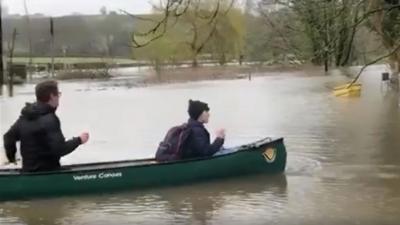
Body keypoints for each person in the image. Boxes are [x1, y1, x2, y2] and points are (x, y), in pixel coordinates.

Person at [3, 80, 89, 172]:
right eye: (58, 95)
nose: (58, 98)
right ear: (52, 96)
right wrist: (79, 140)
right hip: (49, 172)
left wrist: (12, 159)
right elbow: (60, 149)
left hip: (27, 171)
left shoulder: (25, 116)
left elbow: (8, 137)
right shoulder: (50, 119)